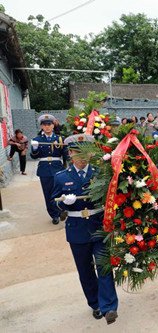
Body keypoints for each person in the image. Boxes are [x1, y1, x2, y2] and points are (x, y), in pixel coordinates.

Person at [51, 134, 119, 324]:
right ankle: (95, 303)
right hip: (77, 229)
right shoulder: (61, 177)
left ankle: (109, 307)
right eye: (77, 153)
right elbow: (53, 203)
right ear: (70, 153)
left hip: (98, 226)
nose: (81, 157)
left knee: (104, 266)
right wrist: (64, 204)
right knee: (85, 270)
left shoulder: (100, 173)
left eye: (85, 153)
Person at [30, 114, 69, 224]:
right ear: (41, 126)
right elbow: (34, 156)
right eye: (44, 124)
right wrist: (34, 148)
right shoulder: (37, 139)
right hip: (44, 170)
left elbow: (65, 154)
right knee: (48, 193)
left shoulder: (59, 138)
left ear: (53, 125)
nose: (47, 127)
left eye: (49, 124)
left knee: (61, 191)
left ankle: (62, 209)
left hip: (58, 168)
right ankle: (54, 214)